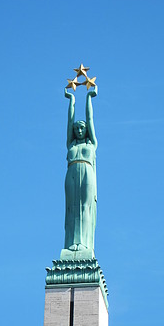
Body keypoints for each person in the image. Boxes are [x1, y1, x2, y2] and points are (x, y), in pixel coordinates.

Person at [64, 86, 98, 251]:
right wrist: (71, 100)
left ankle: (83, 243)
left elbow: (90, 119)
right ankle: (72, 242)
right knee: (71, 209)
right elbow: (69, 121)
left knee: (85, 207)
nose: (78, 130)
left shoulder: (91, 144)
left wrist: (88, 98)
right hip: (71, 172)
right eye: (76, 128)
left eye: (81, 128)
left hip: (87, 173)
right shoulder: (70, 144)